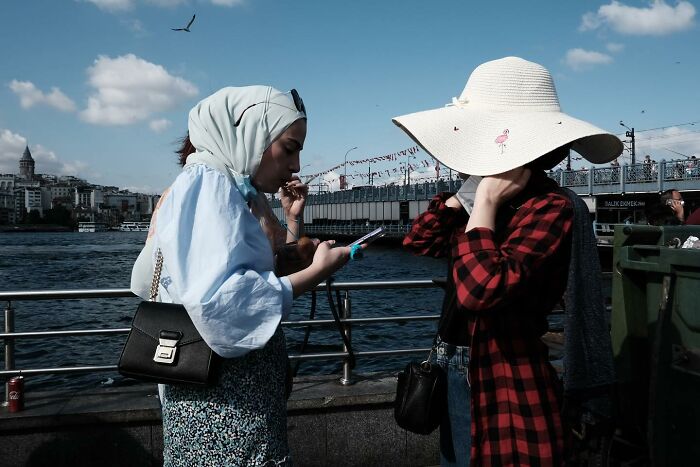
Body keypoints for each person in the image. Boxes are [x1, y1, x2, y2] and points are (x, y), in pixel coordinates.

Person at [395, 56, 622, 466]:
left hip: (505, 371)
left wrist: (482, 204)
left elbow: (482, 290)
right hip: (454, 360)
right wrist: (463, 197)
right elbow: (419, 240)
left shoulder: (551, 206)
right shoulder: (489, 199)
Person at [130, 86, 357, 466]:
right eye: (289, 147)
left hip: (232, 399)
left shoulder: (234, 188)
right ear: (251, 134)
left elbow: (246, 273)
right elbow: (224, 308)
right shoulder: (210, 185)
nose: (296, 164)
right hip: (225, 406)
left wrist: (294, 228)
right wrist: (316, 272)